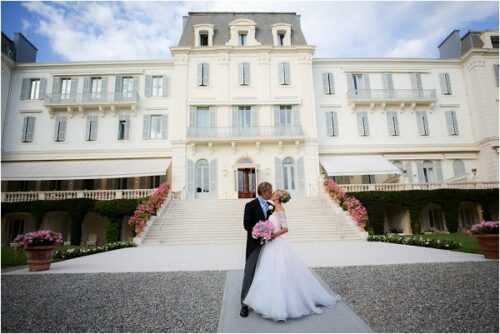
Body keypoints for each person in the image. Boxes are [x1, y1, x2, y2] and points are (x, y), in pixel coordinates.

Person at [242, 190, 342, 321]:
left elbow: (285, 228)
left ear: (278, 197)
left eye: (275, 192)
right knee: (270, 273)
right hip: (270, 245)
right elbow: (270, 224)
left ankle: (282, 305)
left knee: (280, 272)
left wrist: (273, 235)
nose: (273, 193)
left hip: (276, 243)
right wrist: (265, 231)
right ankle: (268, 301)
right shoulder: (272, 208)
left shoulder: (279, 208)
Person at [240, 182, 275, 318]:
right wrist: (261, 232)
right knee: (249, 274)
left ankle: (264, 301)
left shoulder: (271, 206)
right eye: (270, 191)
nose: (271, 193)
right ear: (264, 191)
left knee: (267, 273)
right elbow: (246, 225)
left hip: (269, 246)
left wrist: (270, 233)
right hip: (254, 245)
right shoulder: (250, 205)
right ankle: (244, 305)